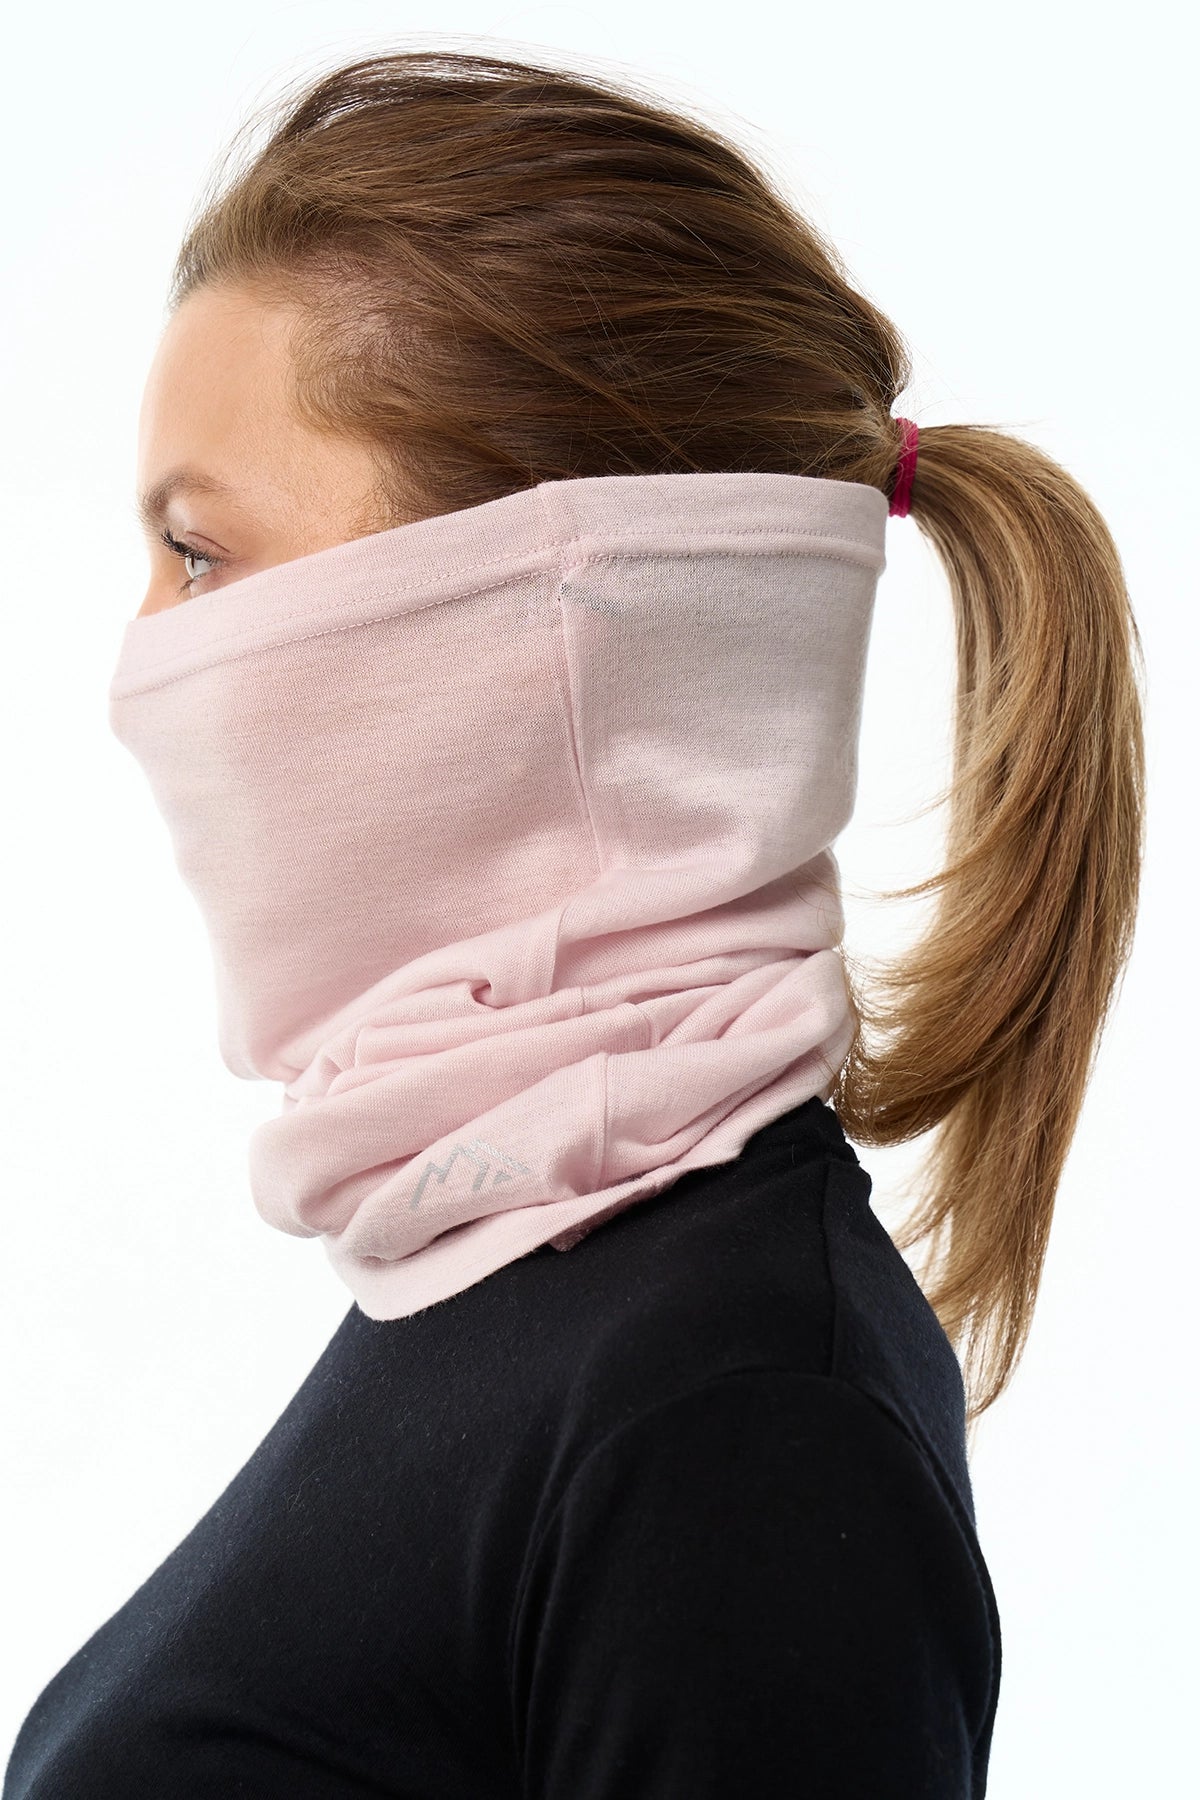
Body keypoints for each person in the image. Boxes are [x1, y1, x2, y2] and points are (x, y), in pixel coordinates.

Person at [2, 45, 1145, 1800]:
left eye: (202, 554)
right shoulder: (506, 1264)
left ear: (518, 612)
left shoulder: (739, 1416)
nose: (137, 666)